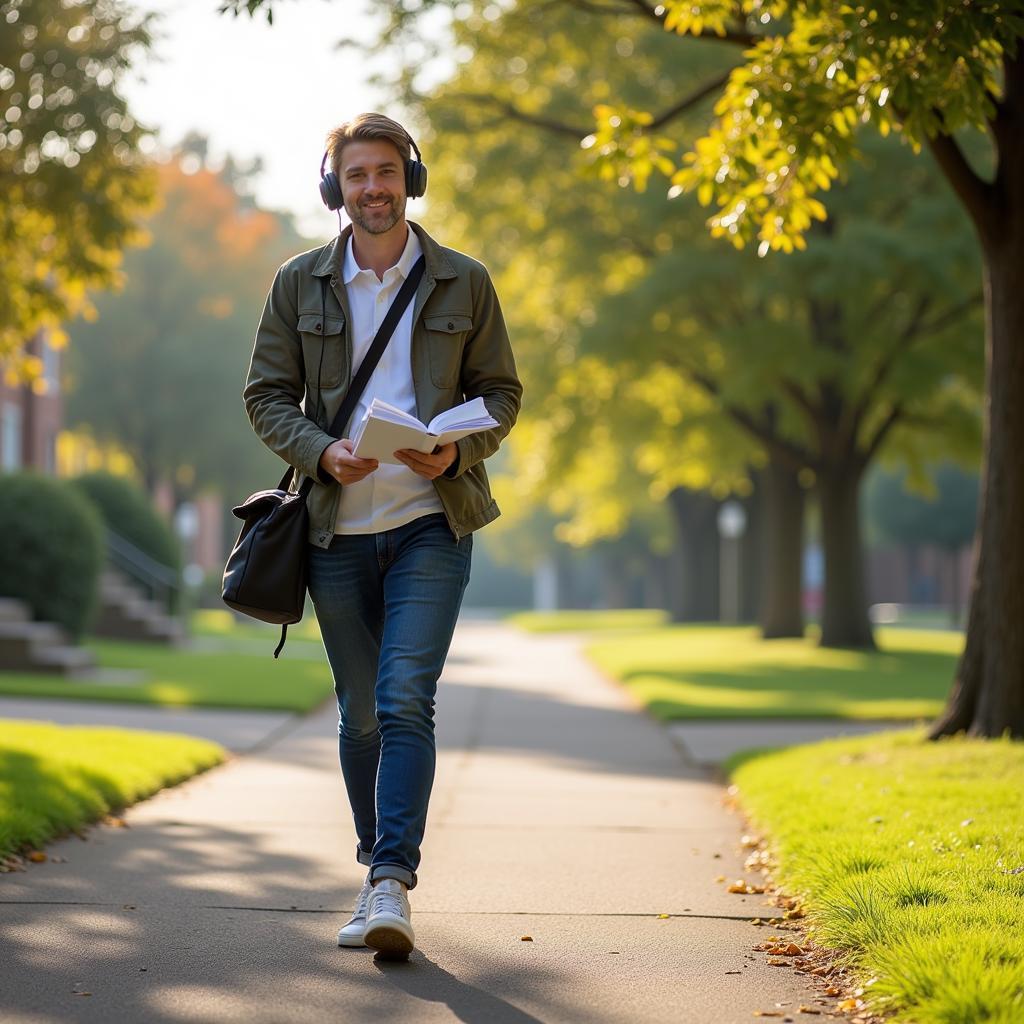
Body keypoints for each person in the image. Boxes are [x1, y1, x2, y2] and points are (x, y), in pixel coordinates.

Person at [242, 112, 522, 959]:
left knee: (406, 697)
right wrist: (321, 450)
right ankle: (375, 872)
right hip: (334, 531)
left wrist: (460, 447)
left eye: (387, 172)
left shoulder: (463, 281)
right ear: (336, 189)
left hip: (433, 523)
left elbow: (501, 393)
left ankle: (392, 879)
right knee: (361, 712)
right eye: (357, 174)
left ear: (411, 178)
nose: (373, 188)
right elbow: (264, 396)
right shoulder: (298, 283)